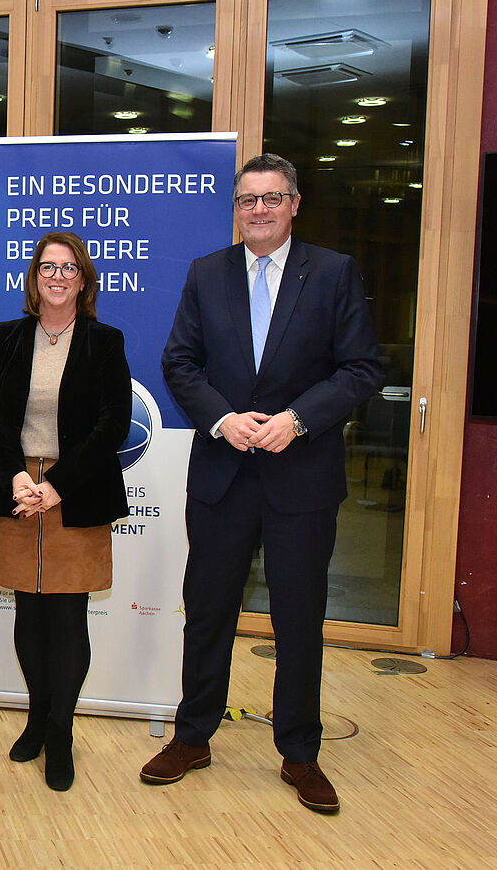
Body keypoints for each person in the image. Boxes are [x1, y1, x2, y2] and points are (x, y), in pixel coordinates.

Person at [143, 153, 382, 813]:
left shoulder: (332, 272)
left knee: (298, 618)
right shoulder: (207, 273)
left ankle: (300, 752)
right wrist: (222, 418)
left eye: (272, 198)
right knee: (208, 610)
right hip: (222, 477)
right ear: (236, 208)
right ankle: (192, 737)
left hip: (302, 480)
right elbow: (180, 362)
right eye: (248, 199)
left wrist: (298, 420)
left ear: (294, 204)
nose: (259, 210)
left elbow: (362, 367)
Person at [0, 231, 132, 792]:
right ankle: (37, 717)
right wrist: (15, 474)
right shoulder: (9, 336)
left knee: (66, 617)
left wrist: (57, 485)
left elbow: (113, 423)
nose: (57, 276)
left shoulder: (103, 341)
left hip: (76, 489)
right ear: (34, 278)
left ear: (83, 280)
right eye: (47, 267)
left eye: (68, 268)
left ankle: (60, 732)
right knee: (28, 614)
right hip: (16, 489)